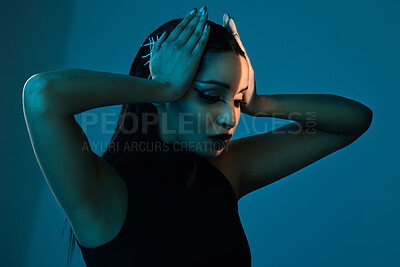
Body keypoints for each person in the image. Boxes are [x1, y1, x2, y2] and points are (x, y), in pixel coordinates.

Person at [22, 5, 373, 267]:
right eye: (209, 95)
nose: (229, 117)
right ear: (162, 98)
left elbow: (354, 119)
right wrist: (160, 86)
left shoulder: (224, 172)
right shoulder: (103, 193)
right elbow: (42, 96)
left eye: (236, 100)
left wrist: (260, 102)